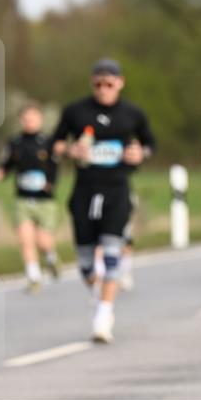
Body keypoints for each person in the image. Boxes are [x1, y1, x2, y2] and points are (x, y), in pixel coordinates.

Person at [51, 58, 155, 344]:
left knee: (112, 252)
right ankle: (100, 296)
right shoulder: (76, 111)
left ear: (120, 83)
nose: (103, 89)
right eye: (98, 83)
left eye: (109, 83)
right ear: (91, 84)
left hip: (117, 189)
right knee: (86, 262)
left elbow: (149, 143)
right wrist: (71, 150)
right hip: (84, 190)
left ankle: (104, 316)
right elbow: (54, 144)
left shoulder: (132, 114)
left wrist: (140, 153)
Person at [0, 102, 61, 293]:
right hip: (22, 198)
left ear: (40, 119)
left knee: (42, 240)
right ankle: (33, 276)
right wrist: (1, 172)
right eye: (26, 118)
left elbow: (56, 168)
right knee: (25, 239)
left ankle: (50, 257)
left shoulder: (48, 142)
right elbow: (7, 163)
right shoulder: (15, 143)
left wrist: (50, 183)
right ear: (21, 120)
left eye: (33, 118)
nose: (29, 122)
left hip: (44, 199)